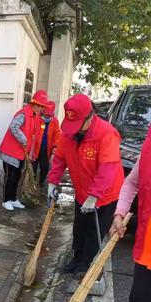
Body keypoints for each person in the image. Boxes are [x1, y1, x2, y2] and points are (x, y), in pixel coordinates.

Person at [95, 125, 151, 302]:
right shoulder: (149, 144)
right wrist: (119, 213)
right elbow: (132, 182)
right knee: (139, 299)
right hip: (148, 242)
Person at [47, 93, 124, 279]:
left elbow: (108, 169)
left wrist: (94, 196)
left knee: (92, 229)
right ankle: (76, 259)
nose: (76, 130)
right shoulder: (69, 134)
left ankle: (87, 265)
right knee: (79, 226)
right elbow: (59, 159)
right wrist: (52, 182)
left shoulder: (106, 134)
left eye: (80, 124)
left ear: (91, 115)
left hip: (105, 195)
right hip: (82, 191)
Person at [0, 90, 48, 211]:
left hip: (21, 153)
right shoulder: (23, 114)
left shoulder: (36, 117)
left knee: (17, 176)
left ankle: (13, 199)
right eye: (39, 105)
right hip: (10, 151)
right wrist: (24, 139)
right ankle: (6, 200)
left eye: (42, 106)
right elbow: (14, 127)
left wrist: (31, 153)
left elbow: (34, 135)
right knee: (10, 176)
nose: (40, 108)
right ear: (33, 104)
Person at [33, 101, 62, 186]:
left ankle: (40, 183)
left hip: (46, 150)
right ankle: (33, 184)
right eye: (46, 115)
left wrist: (55, 146)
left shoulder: (54, 121)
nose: (47, 116)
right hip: (35, 149)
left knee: (45, 168)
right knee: (33, 167)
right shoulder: (37, 118)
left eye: (49, 115)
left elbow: (58, 134)